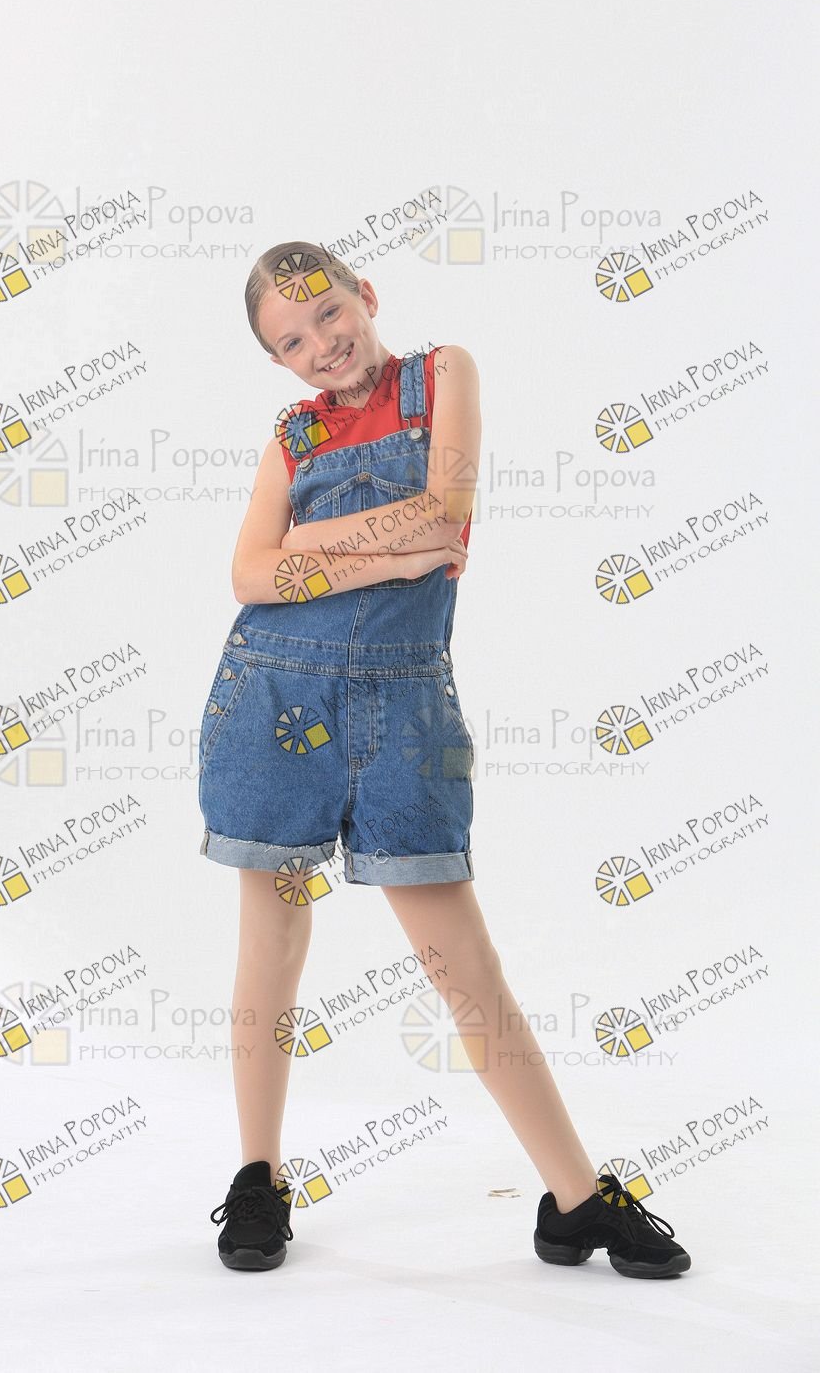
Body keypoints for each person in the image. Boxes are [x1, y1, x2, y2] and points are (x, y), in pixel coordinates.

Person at [201, 242, 691, 1280]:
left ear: (365, 296)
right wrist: (393, 550)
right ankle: (257, 1179)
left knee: (462, 963)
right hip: (275, 699)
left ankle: (575, 1200)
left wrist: (322, 547)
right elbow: (246, 576)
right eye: (291, 340)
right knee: (270, 948)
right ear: (276, 361)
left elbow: (446, 512)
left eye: (329, 313)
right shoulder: (291, 435)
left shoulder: (442, 374)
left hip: (405, 713)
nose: (320, 344)